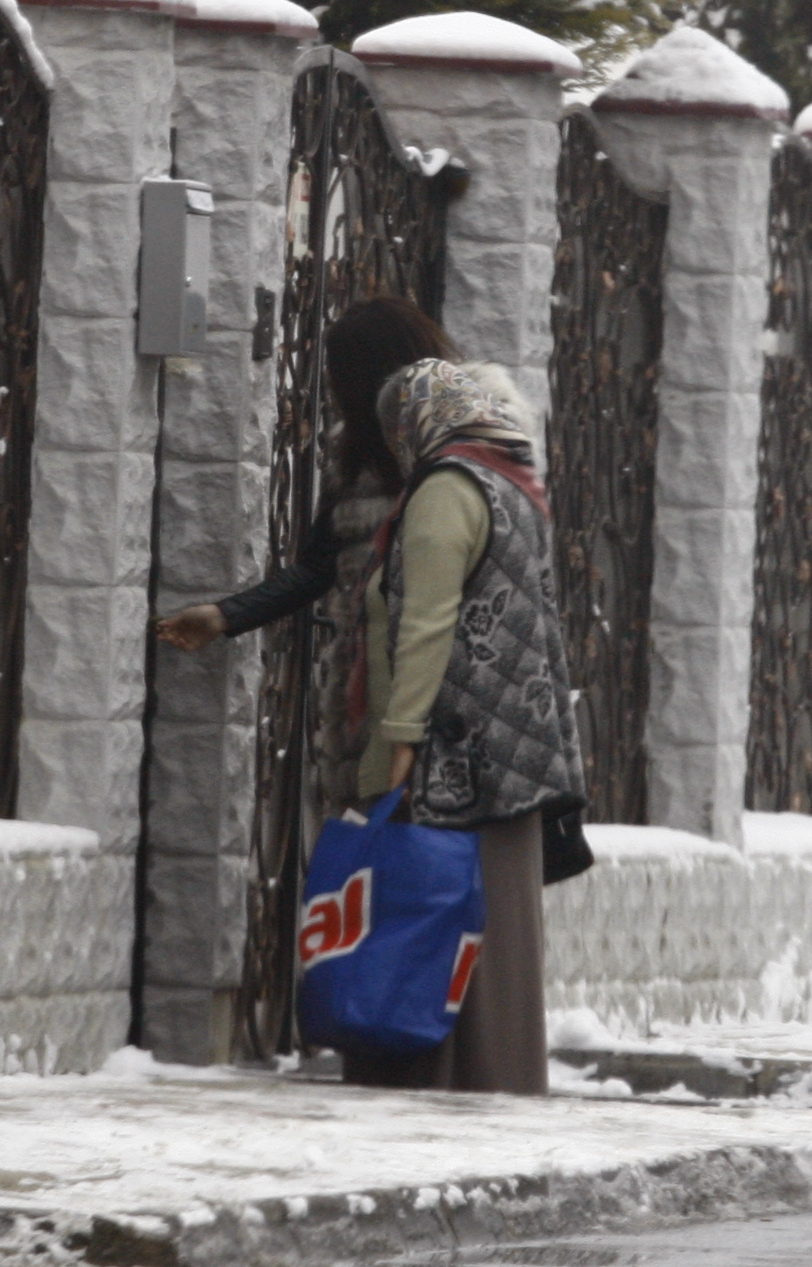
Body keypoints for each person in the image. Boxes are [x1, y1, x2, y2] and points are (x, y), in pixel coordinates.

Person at [157, 299, 585, 1095]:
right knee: (404, 885)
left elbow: (432, 620)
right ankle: (406, 1049)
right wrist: (228, 614)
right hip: (392, 699)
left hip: (438, 719)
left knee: (436, 885)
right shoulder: (392, 462)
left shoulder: (461, 471)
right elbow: (323, 565)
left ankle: (435, 1063)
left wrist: (404, 734)